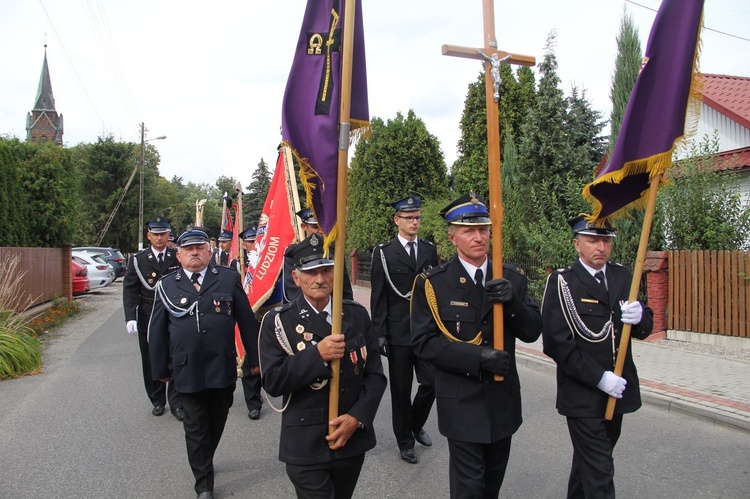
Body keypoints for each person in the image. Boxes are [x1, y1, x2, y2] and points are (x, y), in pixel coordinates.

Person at [410, 192, 543, 499]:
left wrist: (512, 303)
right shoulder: (434, 284)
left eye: (483, 229)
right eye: (468, 230)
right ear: (452, 237)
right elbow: (424, 343)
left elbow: (533, 331)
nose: (478, 236)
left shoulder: (511, 278)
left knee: (491, 486)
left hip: (502, 402)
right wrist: (479, 357)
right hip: (461, 402)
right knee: (469, 489)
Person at [259, 233, 386, 499]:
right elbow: (272, 381)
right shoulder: (278, 322)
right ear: (296, 278)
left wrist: (358, 418)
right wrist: (317, 355)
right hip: (304, 442)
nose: (319, 279)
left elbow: (375, 376)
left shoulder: (355, 315)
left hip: (350, 437)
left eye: (326, 271)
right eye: (310, 272)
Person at [541, 216, 653, 499]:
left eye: (606, 241)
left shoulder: (623, 276)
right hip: (582, 393)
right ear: (577, 244)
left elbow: (642, 327)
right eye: (593, 240)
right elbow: (557, 344)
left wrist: (640, 318)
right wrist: (600, 378)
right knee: (600, 471)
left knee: (587, 466)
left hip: (618, 391)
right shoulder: (562, 282)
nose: (601, 247)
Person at [149, 227, 260, 499]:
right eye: (188, 249)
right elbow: (157, 331)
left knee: (218, 419)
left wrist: (255, 360)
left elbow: (246, 321)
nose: (195, 253)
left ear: (209, 251)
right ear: (179, 254)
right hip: (186, 369)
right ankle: (204, 485)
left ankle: (204, 458)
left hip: (221, 366)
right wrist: (160, 369)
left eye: (199, 247)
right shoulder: (167, 284)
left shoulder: (227, 278)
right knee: (195, 426)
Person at [370, 194, 439, 464]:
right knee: (401, 390)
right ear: (397, 220)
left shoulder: (429, 250)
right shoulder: (384, 253)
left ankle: (414, 422)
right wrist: (379, 333)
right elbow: (378, 295)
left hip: (425, 329)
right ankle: (405, 440)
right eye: (409, 218)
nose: (415, 222)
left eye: (418, 217)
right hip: (398, 332)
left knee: (432, 383)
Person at [122, 215, 183, 419]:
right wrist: (130, 316)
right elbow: (130, 289)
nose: (159, 238)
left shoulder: (177, 256)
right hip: (148, 314)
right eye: (155, 234)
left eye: (163, 234)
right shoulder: (138, 260)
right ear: (149, 236)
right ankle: (157, 400)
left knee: (175, 355)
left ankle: (176, 403)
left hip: (174, 313)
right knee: (150, 357)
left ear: (168, 235)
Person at [282, 208, 353, 303]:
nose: (320, 231)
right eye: (315, 227)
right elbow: (292, 291)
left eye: (323, 226)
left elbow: (344, 289)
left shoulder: (335, 250)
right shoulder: (295, 252)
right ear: (304, 226)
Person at [238, 227, 262, 420]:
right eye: (249, 242)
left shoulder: (267, 263)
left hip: (265, 315)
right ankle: (254, 403)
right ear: (244, 244)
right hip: (244, 316)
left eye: (255, 240)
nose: (252, 244)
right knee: (248, 361)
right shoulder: (234, 264)